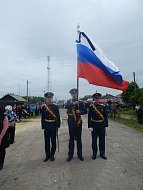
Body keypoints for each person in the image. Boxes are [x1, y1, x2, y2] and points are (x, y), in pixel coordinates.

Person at [65, 88, 87, 161]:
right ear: (71, 95)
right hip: (71, 121)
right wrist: (73, 103)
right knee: (71, 138)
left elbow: (85, 111)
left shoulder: (80, 102)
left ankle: (80, 154)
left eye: (75, 94)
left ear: (77, 94)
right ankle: (70, 155)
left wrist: (79, 112)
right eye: (73, 94)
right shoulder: (69, 101)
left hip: (78, 121)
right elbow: (66, 106)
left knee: (79, 139)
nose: (74, 95)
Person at [41, 92, 61, 162]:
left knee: (53, 141)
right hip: (46, 126)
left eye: (50, 98)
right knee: (47, 142)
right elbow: (42, 117)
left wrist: (58, 125)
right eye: (48, 98)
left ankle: (52, 155)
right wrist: (43, 126)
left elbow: (58, 117)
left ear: (52, 98)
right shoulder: (44, 107)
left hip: (53, 126)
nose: (49, 99)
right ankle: (47, 155)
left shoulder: (55, 107)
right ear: (46, 99)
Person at [88, 93, 108, 160]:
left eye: (98, 98)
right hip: (94, 125)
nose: (97, 99)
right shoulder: (91, 107)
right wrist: (89, 126)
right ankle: (94, 153)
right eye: (96, 98)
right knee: (94, 140)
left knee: (102, 140)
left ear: (99, 99)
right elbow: (89, 117)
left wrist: (106, 125)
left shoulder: (103, 106)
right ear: (94, 99)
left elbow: (105, 116)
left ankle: (102, 153)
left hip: (101, 125)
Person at [0, 106, 9, 170]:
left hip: (2, 136)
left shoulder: (4, 116)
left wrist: (0, 137)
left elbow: (5, 128)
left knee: (1, 150)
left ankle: (1, 163)